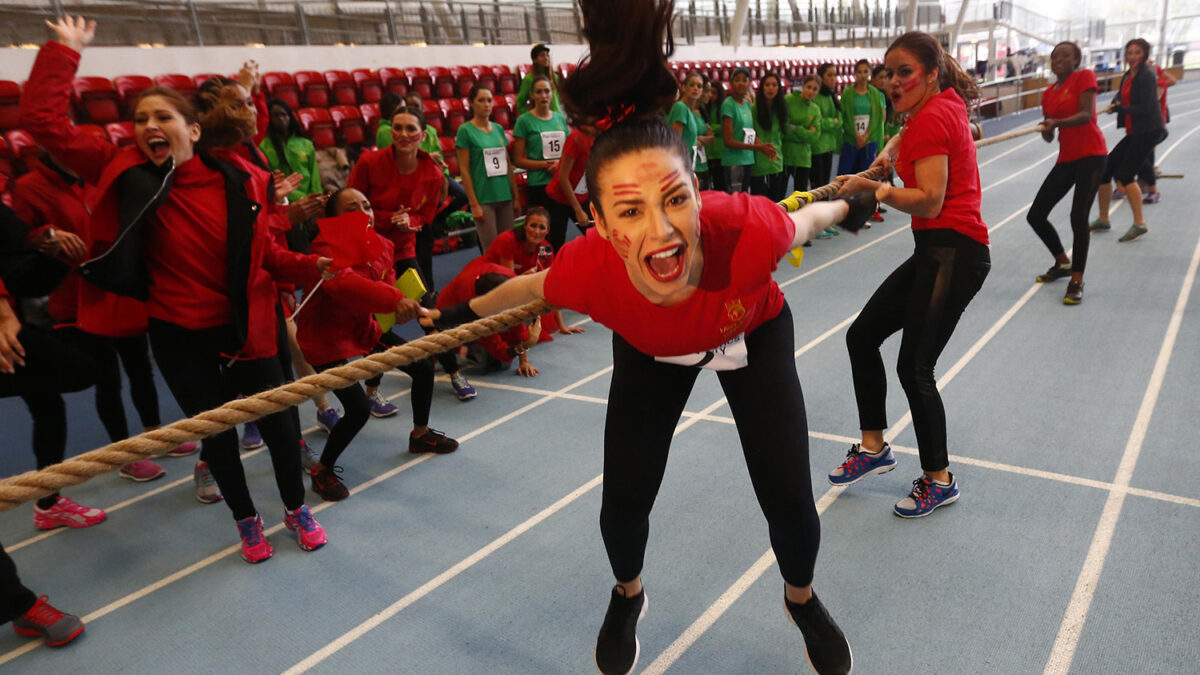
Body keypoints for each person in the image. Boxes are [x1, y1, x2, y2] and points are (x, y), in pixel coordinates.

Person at [430, 2, 872, 672]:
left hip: (749, 332)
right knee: (624, 501)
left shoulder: (745, 228)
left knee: (788, 497)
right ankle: (627, 592)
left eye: (676, 199)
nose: (660, 232)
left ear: (699, 191)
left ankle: (801, 597)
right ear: (602, 225)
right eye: (629, 212)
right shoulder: (588, 270)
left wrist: (853, 201)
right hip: (651, 349)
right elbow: (520, 293)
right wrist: (459, 317)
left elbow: (810, 219)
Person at [23, 16, 332, 563]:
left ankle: (294, 506)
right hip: (177, 333)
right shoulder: (126, 168)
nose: (147, 126)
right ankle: (247, 521)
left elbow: (266, 256)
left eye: (162, 116)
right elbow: (43, 122)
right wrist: (66, 51)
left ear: (193, 128)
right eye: (139, 118)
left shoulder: (244, 177)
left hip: (249, 327)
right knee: (217, 434)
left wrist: (311, 265)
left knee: (282, 428)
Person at [833, 31, 991, 519]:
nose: (894, 81)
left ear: (931, 73)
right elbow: (931, 136)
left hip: (955, 252)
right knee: (862, 337)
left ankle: (939, 479)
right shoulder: (939, 108)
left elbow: (930, 200)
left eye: (905, 72)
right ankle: (875, 446)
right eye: (890, 72)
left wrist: (872, 189)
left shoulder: (933, 116)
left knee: (914, 368)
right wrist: (888, 159)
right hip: (934, 250)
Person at [14, 151, 200, 484]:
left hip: (119, 289)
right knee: (106, 376)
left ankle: (154, 436)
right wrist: (45, 236)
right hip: (76, 298)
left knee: (140, 365)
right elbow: (20, 242)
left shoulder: (98, 175)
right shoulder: (29, 187)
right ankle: (125, 454)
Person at [295, 188, 456, 500]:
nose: (363, 212)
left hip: (362, 328)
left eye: (366, 205)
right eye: (351, 208)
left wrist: (400, 306)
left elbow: (382, 289)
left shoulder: (383, 244)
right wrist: (395, 299)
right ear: (334, 219)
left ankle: (420, 435)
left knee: (422, 365)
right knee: (357, 410)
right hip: (324, 337)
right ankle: (322, 470)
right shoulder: (324, 249)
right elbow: (344, 285)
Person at [0, 211, 93, 648]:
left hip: (12, 334)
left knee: (67, 381)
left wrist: (55, 255)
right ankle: (18, 605)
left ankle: (50, 500)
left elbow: (21, 274)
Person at [349, 105, 476, 403]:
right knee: (377, 321)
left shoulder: (432, 173)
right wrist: (383, 219)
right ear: (390, 131)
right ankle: (371, 389)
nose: (403, 134)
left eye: (410, 129)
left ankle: (454, 373)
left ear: (422, 134)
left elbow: (427, 218)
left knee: (426, 311)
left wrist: (412, 222)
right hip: (368, 252)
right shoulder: (369, 162)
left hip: (403, 250)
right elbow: (351, 206)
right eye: (397, 127)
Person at [1029, 41, 1107, 305]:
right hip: (1067, 157)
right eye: (1054, 56)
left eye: (1064, 55)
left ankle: (1076, 280)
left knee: (1078, 216)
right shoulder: (1048, 93)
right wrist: (1048, 130)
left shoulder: (1084, 77)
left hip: (1092, 155)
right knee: (1036, 215)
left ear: (1076, 60)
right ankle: (1063, 263)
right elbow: (1051, 137)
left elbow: (1086, 115)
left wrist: (1057, 122)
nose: (1058, 59)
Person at [1090, 38, 1165, 242]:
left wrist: (1121, 109)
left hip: (1148, 130)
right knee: (1105, 171)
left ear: (1145, 55)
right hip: (1134, 131)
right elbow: (1121, 95)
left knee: (1125, 174)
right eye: (1129, 52)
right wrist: (1116, 102)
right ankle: (1104, 219)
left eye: (1137, 52)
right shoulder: (1128, 75)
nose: (1132, 56)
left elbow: (1147, 107)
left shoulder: (1147, 75)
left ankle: (1139, 223)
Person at [483, 206, 584, 336]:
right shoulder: (507, 240)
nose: (537, 231)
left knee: (545, 324)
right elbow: (506, 283)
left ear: (547, 230)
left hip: (519, 286)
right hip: (491, 285)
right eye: (533, 225)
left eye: (542, 227)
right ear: (525, 226)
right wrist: (526, 277)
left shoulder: (545, 249)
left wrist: (561, 325)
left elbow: (552, 286)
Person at [435, 262, 545, 377]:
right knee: (501, 363)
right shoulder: (476, 309)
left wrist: (524, 361)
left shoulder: (509, 280)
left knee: (520, 319)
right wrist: (527, 343)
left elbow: (517, 317)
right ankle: (464, 349)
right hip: (449, 313)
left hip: (472, 287)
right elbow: (499, 352)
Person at [457, 84, 520, 253]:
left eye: (489, 100)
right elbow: (464, 170)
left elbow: (507, 165)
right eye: (481, 100)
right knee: (492, 250)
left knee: (509, 247)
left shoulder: (499, 129)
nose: (486, 104)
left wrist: (516, 196)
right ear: (471, 103)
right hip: (484, 198)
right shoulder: (465, 131)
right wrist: (473, 204)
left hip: (504, 195)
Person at [513, 75, 569, 216]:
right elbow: (518, 160)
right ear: (532, 95)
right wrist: (547, 165)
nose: (544, 95)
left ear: (552, 93)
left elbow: (569, 151)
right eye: (539, 92)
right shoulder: (524, 121)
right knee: (545, 232)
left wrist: (560, 164)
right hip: (539, 184)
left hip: (562, 183)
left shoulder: (560, 118)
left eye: (547, 91)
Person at [545, 123, 597, 252]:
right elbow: (563, 177)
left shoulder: (603, 138)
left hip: (584, 195)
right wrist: (578, 210)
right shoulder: (576, 138)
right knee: (557, 243)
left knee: (596, 237)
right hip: (559, 199)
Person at [721, 68, 774, 194]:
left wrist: (764, 146)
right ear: (731, 83)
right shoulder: (728, 104)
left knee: (744, 196)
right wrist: (758, 148)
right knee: (734, 200)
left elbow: (751, 132)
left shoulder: (747, 104)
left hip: (747, 159)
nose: (741, 83)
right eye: (737, 80)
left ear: (749, 84)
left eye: (744, 80)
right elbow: (728, 141)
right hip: (734, 161)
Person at [838, 59, 886, 178]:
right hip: (851, 139)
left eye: (865, 71)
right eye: (859, 72)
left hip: (870, 139)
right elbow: (845, 117)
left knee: (868, 174)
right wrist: (856, 135)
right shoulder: (847, 93)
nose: (863, 75)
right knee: (845, 173)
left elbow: (877, 118)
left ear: (869, 73)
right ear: (855, 73)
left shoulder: (875, 93)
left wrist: (866, 136)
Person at [668, 72, 713, 190]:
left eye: (699, 86)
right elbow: (675, 141)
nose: (695, 89)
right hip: (683, 166)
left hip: (692, 164)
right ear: (684, 87)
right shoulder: (680, 107)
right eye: (692, 85)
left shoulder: (690, 110)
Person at [750, 72, 788, 201]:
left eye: (774, 85)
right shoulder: (753, 109)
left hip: (777, 161)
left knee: (776, 201)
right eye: (767, 85)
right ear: (762, 88)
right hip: (758, 162)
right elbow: (750, 132)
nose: (771, 88)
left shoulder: (781, 109)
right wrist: (762, 147)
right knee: (759, 202)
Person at [783, 75, 821, 199]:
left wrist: (796, 128)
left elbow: (814, 137)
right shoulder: (788, 100)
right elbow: (785, 129)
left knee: (800, 197)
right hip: (786, 155)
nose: (811, 91)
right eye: (808, 87)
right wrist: (805, 131)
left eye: (814, 89)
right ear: (803, 86)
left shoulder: (815, 109)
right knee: (780, 195)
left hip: (804, 158)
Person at [812, 63, 843, 188]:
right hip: (816, 147)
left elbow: (840, 120)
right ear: (821, 77)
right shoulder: (815, 96)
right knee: (818, 186)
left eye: (835, 75)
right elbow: (818, 122)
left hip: (829, 146)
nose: (833, 78)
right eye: (829, 75)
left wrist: (831, 121)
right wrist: (833, 122)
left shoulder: (832, 96)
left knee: (825, 184)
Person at [514, 43, 562, 113]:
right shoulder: (529, 79)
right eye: (542, 55)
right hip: (539, 118)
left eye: (547, 55)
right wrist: (529, 116)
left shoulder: (555, 77)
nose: (546, 58)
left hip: (557, 117)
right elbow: (520, 102)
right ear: (535, 60)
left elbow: (558, 100)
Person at [702, 79, 728, 193]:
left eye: (714, 92)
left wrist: (710, 128)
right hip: (706, 152)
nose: (711, 95)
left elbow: (725, 127)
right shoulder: (703, 108)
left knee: (720, 184)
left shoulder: (724, 107)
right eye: (709, 92)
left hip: (720, 152)